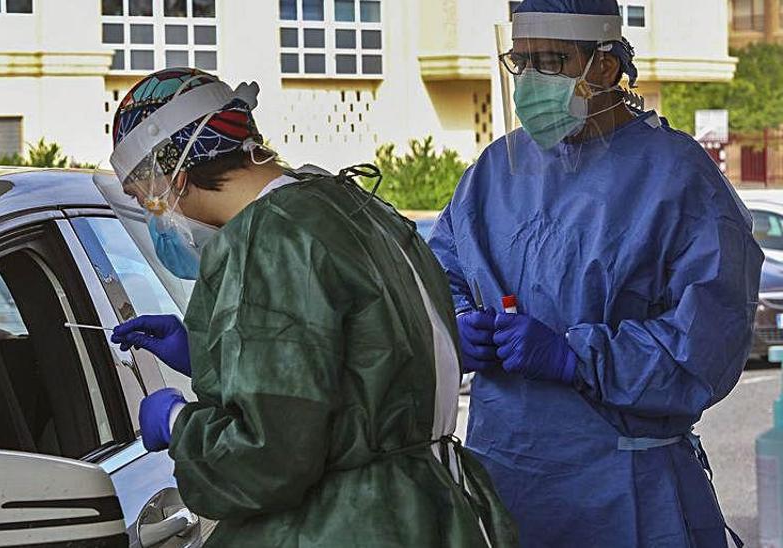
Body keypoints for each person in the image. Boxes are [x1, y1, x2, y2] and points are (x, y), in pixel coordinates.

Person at [102, 67, 517, 547]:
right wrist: (207, 352)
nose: (156, 220)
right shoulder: (349, 206)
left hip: (351, 526)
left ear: (168, 175)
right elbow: (363, 370)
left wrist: (177, 422)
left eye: (143, 198)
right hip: (431, 509)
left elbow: (269, 457)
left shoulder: (269, 238)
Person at [428, 1, 762, 546]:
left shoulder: (677, 178)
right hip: (507, 480)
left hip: (626, 493)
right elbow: (441, 271)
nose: (532, 80)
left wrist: (574, 357)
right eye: (522, 61)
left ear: (605, 67)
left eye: (553, 61)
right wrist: (455, 323)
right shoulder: (496, 170)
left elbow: (707, 345)